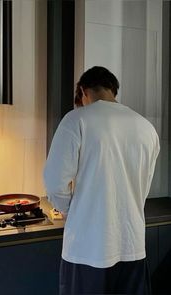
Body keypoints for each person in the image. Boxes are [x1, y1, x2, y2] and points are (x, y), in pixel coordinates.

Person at [43, 66, 160, 295]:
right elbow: (142, 189)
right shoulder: (147, 128)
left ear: (83, 92)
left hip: (88, 250)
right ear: (113, 91)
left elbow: (55, 182)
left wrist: (71, 209)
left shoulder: (76, 119)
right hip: (133, 247)